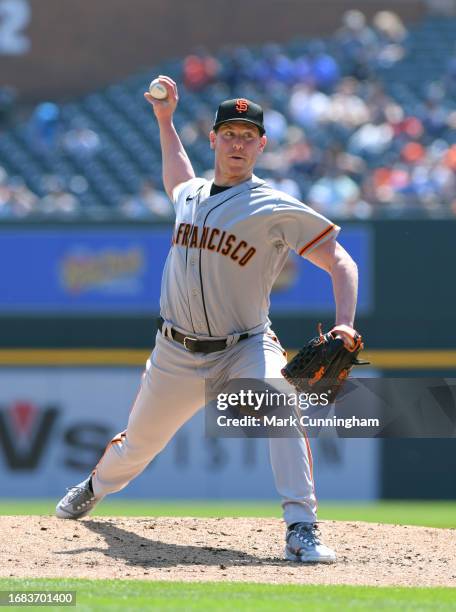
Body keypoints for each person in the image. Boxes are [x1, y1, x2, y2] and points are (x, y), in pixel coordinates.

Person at [56, 76, 359, 564]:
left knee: (281, 401)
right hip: (176, 351)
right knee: (137, 447)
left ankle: (301, 526)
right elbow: (177, 176)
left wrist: (344, 322)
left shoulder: (275, 206)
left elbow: (341, 260)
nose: (238, 143)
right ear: (213, 139)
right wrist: (164, 120)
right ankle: (94, 486)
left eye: (247, 135)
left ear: (262, 145)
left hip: (245, 343)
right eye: (229, 133)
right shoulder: (191, 195)